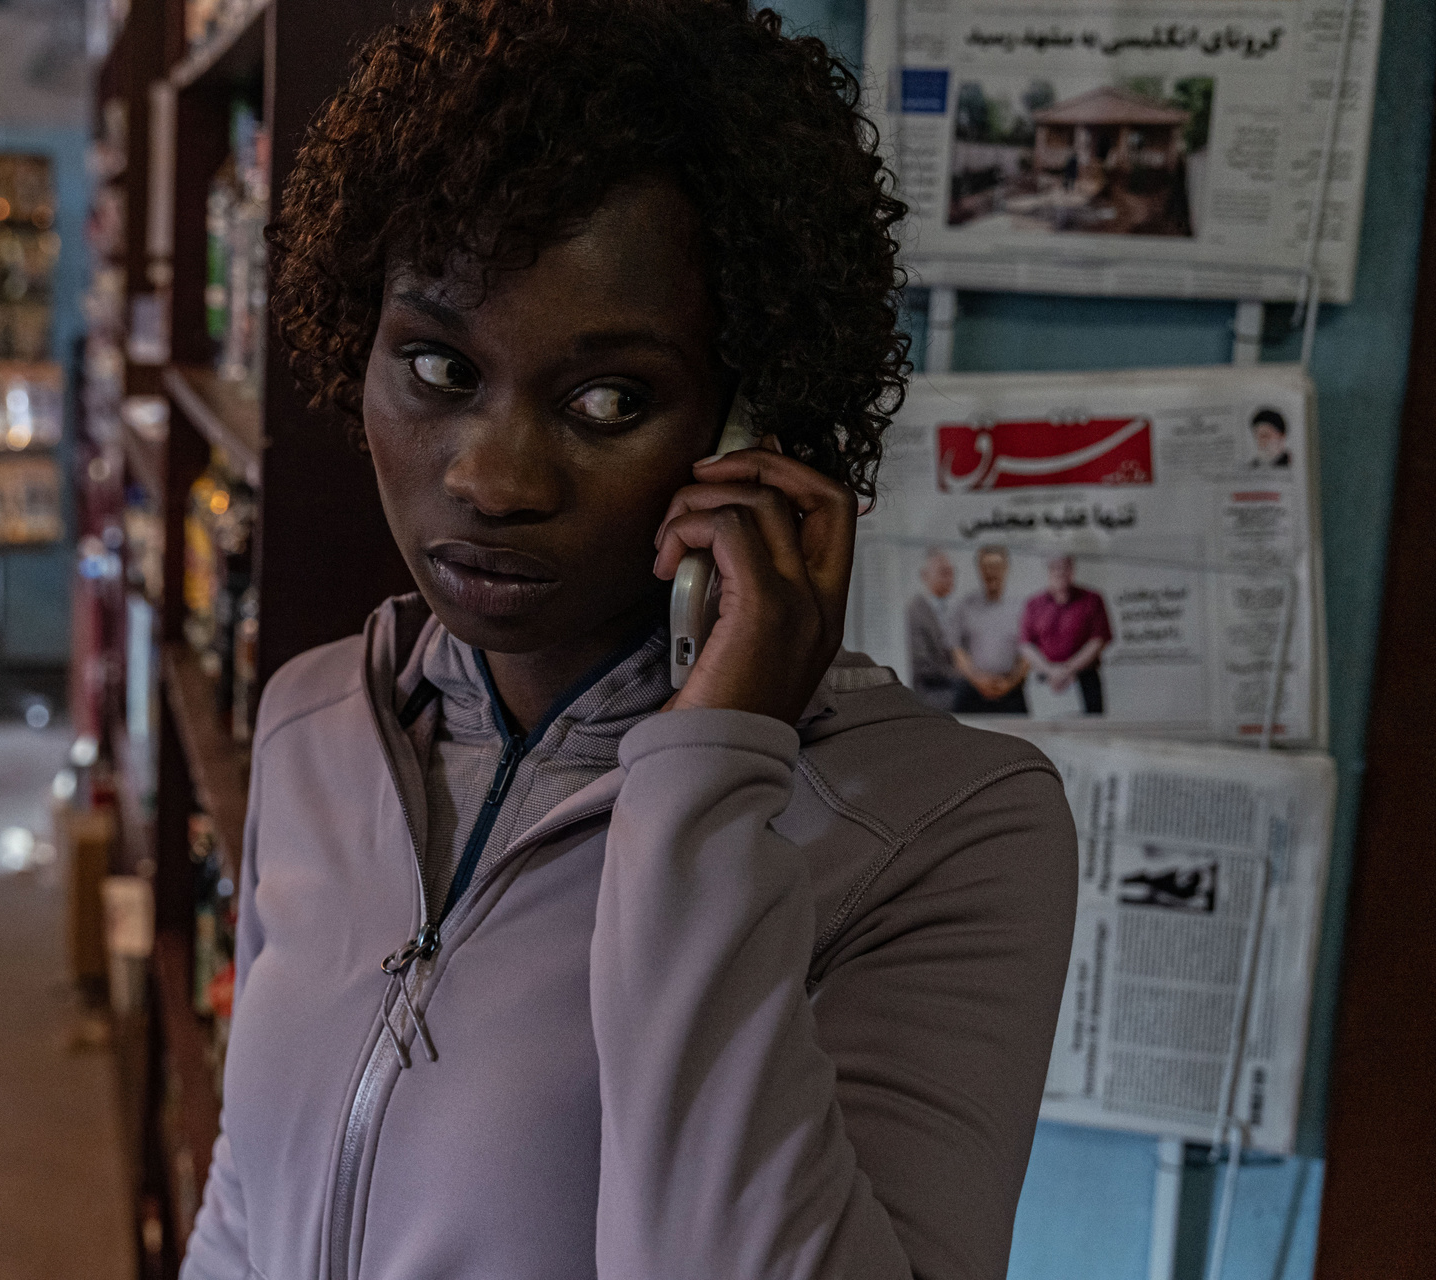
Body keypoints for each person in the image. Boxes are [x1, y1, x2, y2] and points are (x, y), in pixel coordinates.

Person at [183, 5, 1077, 1279]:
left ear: (752, 422)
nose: (490, 478)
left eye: (608, 399)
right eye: (437, 367)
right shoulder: (315, 719)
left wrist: (711, 774)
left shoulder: (949, 831)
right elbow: (244, 1206)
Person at [1019, 554, 1112, 714]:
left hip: (1084, 678)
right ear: (1048, 570)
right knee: (1043, 728)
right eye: (1055, 567)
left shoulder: (1092, 599)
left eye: (1064, 567)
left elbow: (1098, 640)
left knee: (1089, 728)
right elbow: (1025, 644)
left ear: (1072, 570)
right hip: (1046, 679)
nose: (1060, 572)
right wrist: (1051, 671)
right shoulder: (1034, 604)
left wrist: (1068, 670)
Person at [950, 544, 1031, 713]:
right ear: (979, 569)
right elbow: (956, 650)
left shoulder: (1022, 609)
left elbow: (1028, 654)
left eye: (996, 566)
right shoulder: (965, 606)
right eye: (986, 567)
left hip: (1012, 693)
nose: (991, 572)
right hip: (973, 692)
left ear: (1006, 568)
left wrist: (1010, 683)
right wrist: (978, 680)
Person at [906, 547, 961, 710]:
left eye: (951, 572)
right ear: (925, 575)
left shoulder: (955, 609)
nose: (950, 577)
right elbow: (924, 666)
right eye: (944, 572)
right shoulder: (915, 611)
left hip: (955, 687)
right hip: (933, 693)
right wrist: (966, 677)